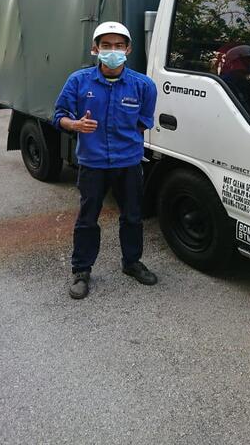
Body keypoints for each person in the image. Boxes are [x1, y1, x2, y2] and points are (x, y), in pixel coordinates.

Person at [53, 21, 158, 299]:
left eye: (119, 46)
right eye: (107, 45)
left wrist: (123, 141)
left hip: (129, 163)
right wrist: (75, 125)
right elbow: (59, 116)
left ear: (128, 49)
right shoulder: (78, 81)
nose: (113, 51)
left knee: (132, 216)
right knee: (87, 219)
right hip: (93, 164)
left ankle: (132, 262)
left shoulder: (144, 86)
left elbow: (143, 123)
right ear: (95, 49)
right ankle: (81, 270)